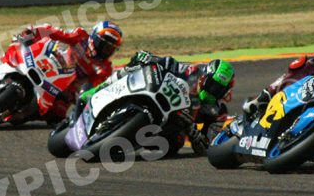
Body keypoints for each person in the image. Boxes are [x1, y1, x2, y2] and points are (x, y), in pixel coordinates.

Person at [81, 51, 235, 155]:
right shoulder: (191, 71)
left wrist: (193, 132)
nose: (213, 91)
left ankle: (129, 142)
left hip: (173, 122)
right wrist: (149, 57)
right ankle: (97, 91)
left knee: (175, 144)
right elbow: (167, 62)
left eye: (219, 89)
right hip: (155, 94)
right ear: (204, 77)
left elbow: (207, 147)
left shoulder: (217, 112)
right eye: (212, 85)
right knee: (134, 67)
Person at [2, 20, 123, 121]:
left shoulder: (104, 68)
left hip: (66, 87)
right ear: (94, 38)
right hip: (52, 63)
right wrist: (33, 33)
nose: (106, 50)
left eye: (110, 49)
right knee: (14, 54)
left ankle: (24, 113)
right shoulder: (80, 36)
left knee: (58, 114)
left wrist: (77, 94)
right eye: (103, 44)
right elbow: (56, 33)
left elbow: (90, 89)